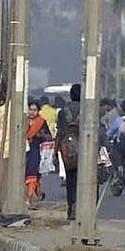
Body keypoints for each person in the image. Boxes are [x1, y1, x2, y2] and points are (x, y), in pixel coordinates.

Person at [55, 83, 81, 220]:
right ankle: (79, 206)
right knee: (81, 179)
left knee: (70, 179)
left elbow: (59, 132)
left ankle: (71, 207)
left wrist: (55, 151)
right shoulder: (87, 110)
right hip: (83, 148)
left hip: (66, 149)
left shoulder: (62, 112)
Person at [25, 100, 52, 208]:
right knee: (29, 175)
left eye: (34, 110)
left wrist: (41, 134)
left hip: (36, 150)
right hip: (24, 150)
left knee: (32, 173)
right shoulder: (24, 121)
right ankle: (39, 194)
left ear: (38, 111)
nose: (32, 112)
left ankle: (29, 197)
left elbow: (49, 136)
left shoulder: (41, 122)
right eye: (30, 110)